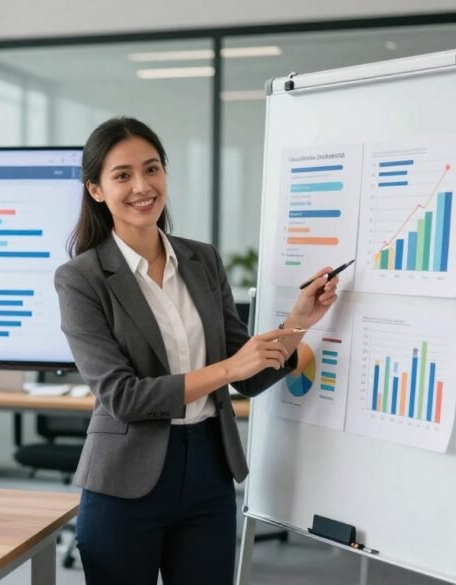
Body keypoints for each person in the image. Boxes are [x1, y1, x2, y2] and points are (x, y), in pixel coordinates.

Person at [54, 117, 340, 585]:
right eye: (122, 175)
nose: (142, 186)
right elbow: (122, 397)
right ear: (96, 190)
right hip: (126, 482)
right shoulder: (81, 279)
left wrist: (296, 324)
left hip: (208, 469)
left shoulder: (201, 259)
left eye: (152, 169)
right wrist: (227, 367)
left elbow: (246, 376)